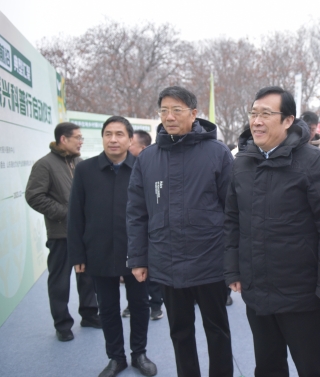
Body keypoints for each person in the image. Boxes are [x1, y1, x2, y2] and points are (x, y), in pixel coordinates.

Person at [224, 86, 320, 377]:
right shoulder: (241, 163)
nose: (257, 121)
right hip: (256, 290)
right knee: (267, 367)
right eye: (253, 114)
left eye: (266, 114)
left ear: (288, 120)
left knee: (310, 367)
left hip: (301, 293)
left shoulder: (313, 161)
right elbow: (232, 220)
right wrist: (233, 270)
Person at [126, 86, 234, 377]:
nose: (169, 116)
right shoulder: (148, 158)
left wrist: (234, 260)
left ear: (194, 113)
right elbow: (137, 213)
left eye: (177, 110)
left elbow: (233, 210)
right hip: (167, 261)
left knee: (217, 330)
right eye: (164, 110)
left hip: (210, 261)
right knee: (180, 332)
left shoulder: (218, 153)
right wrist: (138, 258)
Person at [68, 117, 157, 377]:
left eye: (119, 134)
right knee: (107, 308)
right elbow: (75, 214)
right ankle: (116, 357)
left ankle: (139, 354)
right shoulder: (85, 170)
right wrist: (77, 253)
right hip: (99, 249)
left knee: (140, 305)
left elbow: (153, 211)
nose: (113, 139)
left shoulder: (143, 168)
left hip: (137, 252)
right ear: (102, 138)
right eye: (108, 134)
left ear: (130, 139)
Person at [25, 122, 100, 342]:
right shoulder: (44, 165)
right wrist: (66, 214)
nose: (81, 142)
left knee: (87, 277)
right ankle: (62, 324)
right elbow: (34, 196)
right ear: (63, 139)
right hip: (61, 234)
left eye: (81, 138)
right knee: (60, 281)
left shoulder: (80, 163)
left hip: (85, 233)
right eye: (77, 138)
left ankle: (89, 315)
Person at [122, 129, 164, 321]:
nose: (128, 147)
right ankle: (135, 304)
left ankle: (156, 305)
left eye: (132, 144)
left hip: (156, 232)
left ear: (143, 147)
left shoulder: (157, 166)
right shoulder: (132, 167)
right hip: (135, 230)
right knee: (137, 271)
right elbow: (135, 208)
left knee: (154, 273)